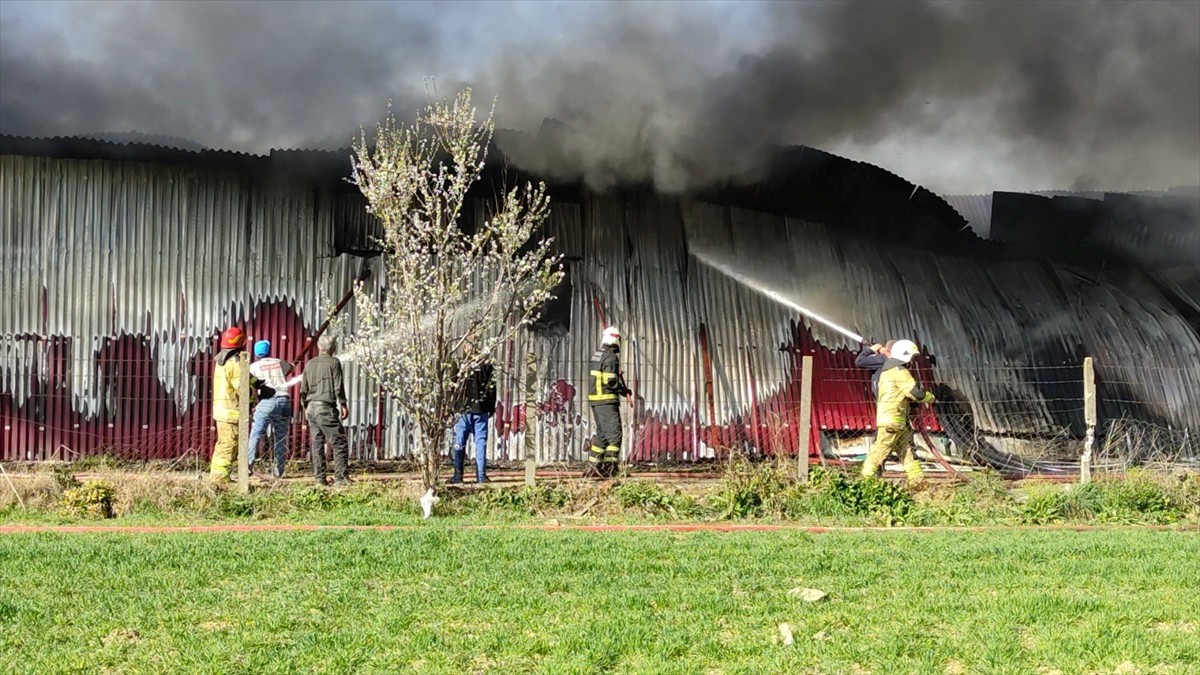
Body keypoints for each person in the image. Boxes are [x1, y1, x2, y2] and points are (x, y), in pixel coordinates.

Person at [861, 339, 935, 487]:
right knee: (880, 450)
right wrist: (931, 397)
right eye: (912, 358)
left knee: (907, 451)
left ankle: (918, 482)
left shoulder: (887, 371)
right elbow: (914, 393)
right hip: (892, 421)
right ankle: (865, 483)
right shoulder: (900, 372)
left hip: (896, 421)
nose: (912, 362)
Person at [210, 326, 264, 483]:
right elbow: (242, 387)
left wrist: (257, 382)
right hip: (231, 412)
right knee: (228, 446)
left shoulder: (222, 361)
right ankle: (219, 480)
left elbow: (245, 376)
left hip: (223, 411)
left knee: (227, 445)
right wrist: (258, 394)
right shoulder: (234, 362)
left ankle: (219, 477)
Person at [300, 334, 350, 486]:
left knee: (317, 443)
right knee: (339, 442)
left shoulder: (309, 364)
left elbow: (303, 389)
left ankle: (319, 479)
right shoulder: (334, 362)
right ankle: (341, 479)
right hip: (325, 407)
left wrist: (306, 407)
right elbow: (338, 385)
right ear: (333, 348)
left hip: (311, 408)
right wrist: (343, 404)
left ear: (319, 347)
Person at [248, 340, 295, 479]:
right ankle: (278, 472)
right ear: (269, 350)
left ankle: (247, 467)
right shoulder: (279, 362)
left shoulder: (253, 367)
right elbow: (290, 369)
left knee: (255, 435)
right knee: (280, 439)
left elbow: (252, 385)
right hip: (284, 400)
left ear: (256, 353)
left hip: (267, 402)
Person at [586, 326, 630, 478]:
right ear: (616, 339)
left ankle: (592, 468)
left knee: (602, 436)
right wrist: (624, 391)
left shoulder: (597, 355)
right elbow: (610, 381)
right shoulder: (611, 357)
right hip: (606, 400)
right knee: (615, 436)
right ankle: (610, 469)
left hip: (595, 400)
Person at [450, 357, 497, 484]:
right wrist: (491, 408)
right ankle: (481, 477)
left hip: (462, 409)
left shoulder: (459, 362)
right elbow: (492, 387)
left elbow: (451, 385)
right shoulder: (486, 363)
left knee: (460, 442)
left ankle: (457, 476)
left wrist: (451, 406)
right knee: (480, 442)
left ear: (465, 346)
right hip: (481, 409)